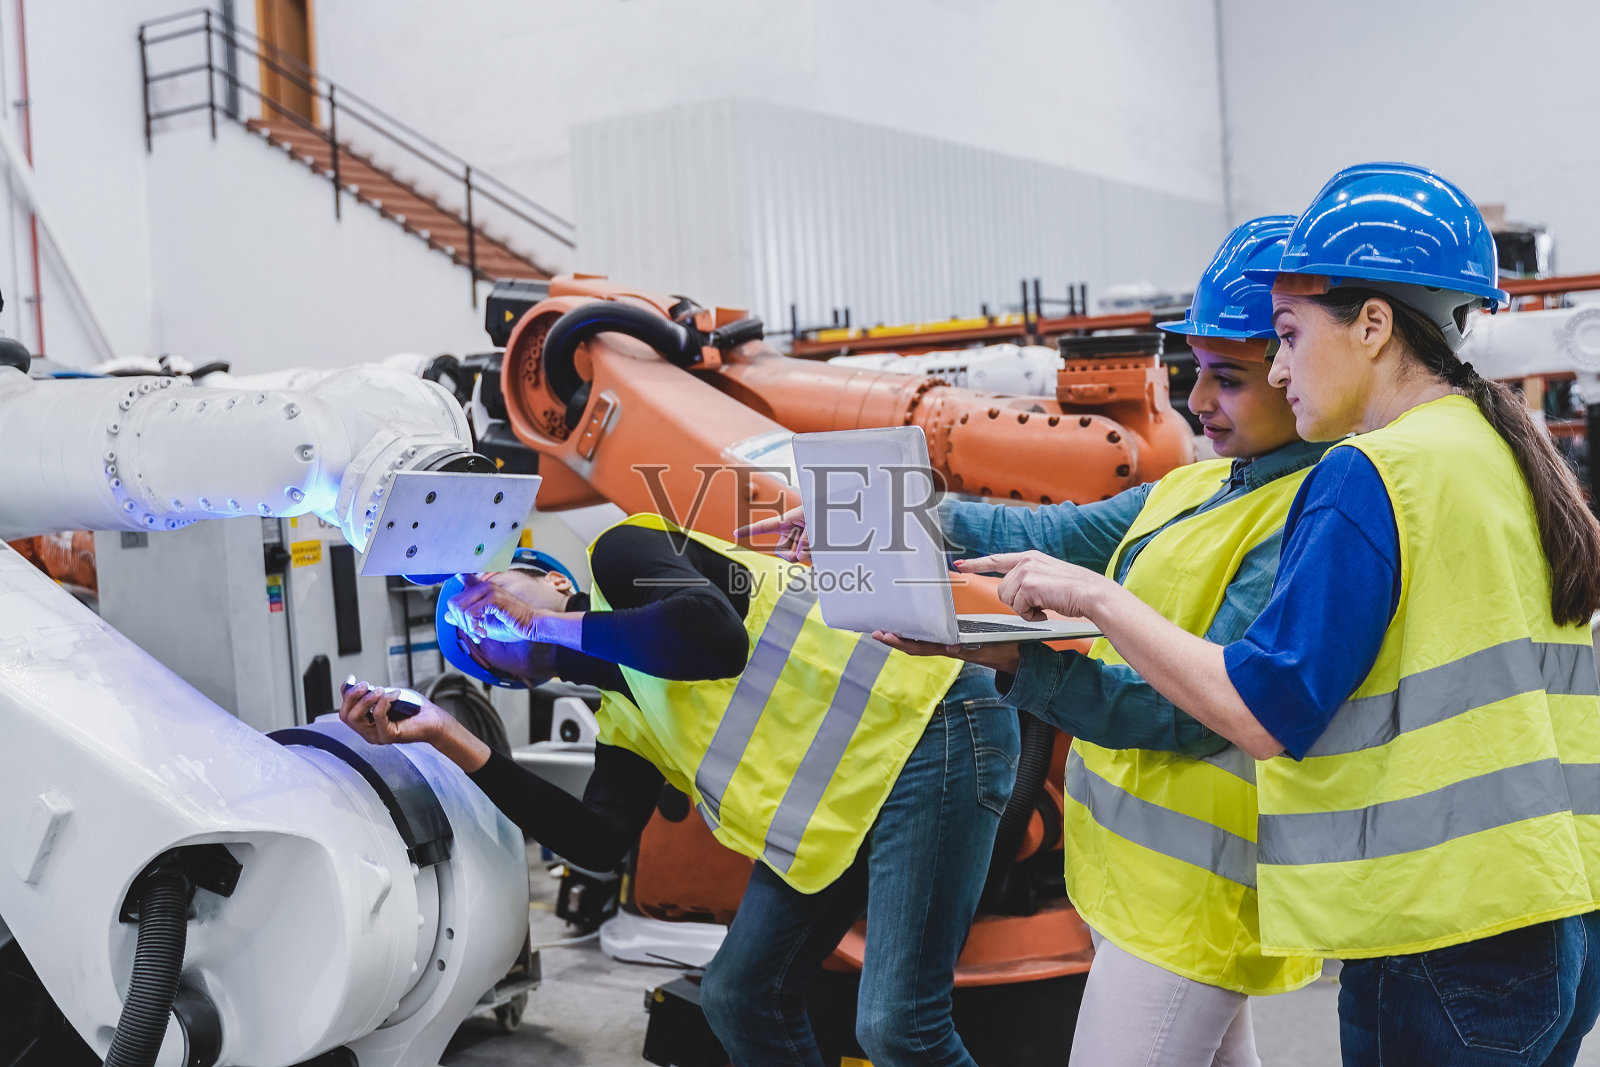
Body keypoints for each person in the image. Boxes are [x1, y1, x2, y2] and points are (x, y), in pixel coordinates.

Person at [956, 162, 1600, 1066]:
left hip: (1442, 930)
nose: (1282, 368)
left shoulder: (1372, 474)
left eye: (1289, 337)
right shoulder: (1497, 449)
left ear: (1372, 326)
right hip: (1556, 913)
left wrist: (1094, 598)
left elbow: (1265, 707)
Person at [750, 216, 1328, 1066]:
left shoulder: (1308, 516)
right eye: (1193, 374)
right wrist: (882, 518)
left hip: (1203, 895)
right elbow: (1056, 533)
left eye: (1228, 379)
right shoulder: (1202, 486)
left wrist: (1017, 663)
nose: (1199, 402)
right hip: (1152, 883)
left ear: (1294, 364)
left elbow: (1199, 714)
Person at [339, 512, 1018, 1067]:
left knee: (898, 1026)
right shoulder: (627, 715)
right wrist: (446, 736)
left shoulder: (621, 551)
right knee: (740, 994)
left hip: (930, 722)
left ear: (549, 579)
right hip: (848, 806)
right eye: (476, 638)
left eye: (492, 593)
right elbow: (596, 843)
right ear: (516, 680)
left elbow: (712, 634)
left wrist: (537, 624)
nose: (484, 613)